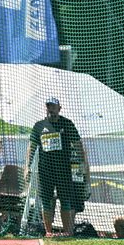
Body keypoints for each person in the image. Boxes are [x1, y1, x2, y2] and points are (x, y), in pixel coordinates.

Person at [24, 97, 90, 237]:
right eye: (48, 106)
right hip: (45, 170)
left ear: (59, 108)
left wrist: (84, 165)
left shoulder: (67, 124)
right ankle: (49, 232)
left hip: (63, 170)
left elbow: (78, 145)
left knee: (65, 200)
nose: (51, 109)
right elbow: (31, 147)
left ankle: (67, 232)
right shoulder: (39, 126)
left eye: (53, 106)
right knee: (46, 201)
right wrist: (27, 167)